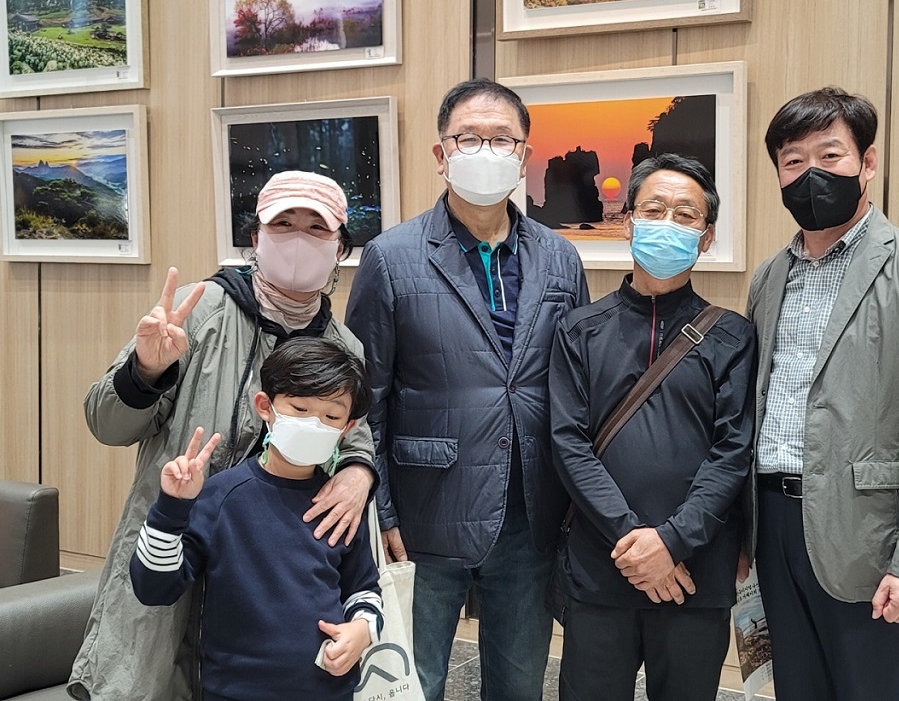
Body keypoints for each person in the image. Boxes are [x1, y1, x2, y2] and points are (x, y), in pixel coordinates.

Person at [69, 171, 378, 701]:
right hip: (175, 541)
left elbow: (354, 432)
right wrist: (145, 370)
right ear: (255, 237)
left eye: (316, 228)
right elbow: (106, 423)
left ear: (339, 248)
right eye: (283, 224)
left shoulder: (344, 347)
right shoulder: (199, 312)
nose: (298, 239)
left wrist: (358, 470)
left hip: (268, 576)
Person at [345, 78, 590, 700]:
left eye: (502, 139)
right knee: (414, 681)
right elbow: (364, 399)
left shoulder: (561, 259)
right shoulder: (391, 257)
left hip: (530, 513)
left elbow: (575, 388)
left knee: (519, 683)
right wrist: (383, 509)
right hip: (424, 513)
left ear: (524, 156)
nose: (486, 151)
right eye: (468, 138)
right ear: (441, 154)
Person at [747, 87, 899, 701]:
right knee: (794, 688)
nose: (811, 174)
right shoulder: (769, 276)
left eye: (830, 155)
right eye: (793, 161)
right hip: (772, 522)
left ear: (867, 162)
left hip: (867, 534)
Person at [548, 154, 756, 701]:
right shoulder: (579, 330)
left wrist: (672, 542)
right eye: (654, 210)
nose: (668, 223)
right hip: (602, 566)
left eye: (685, 215)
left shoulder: (732, 336)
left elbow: (733, 451)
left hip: (695, 570)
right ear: (628, 222)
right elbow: (569, 444)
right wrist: (634, 541)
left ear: (706, 237)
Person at [130, 337, 384, 701]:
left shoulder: (339, 503)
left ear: (346, 427)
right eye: (300, 408)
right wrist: (171, 506)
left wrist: (362, 629)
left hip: (328, 690)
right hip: (234, 691)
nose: (314, 425)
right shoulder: (223, 496)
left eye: (331, 417)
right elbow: (153, 587)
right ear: (265, 406)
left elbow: (363, 588)